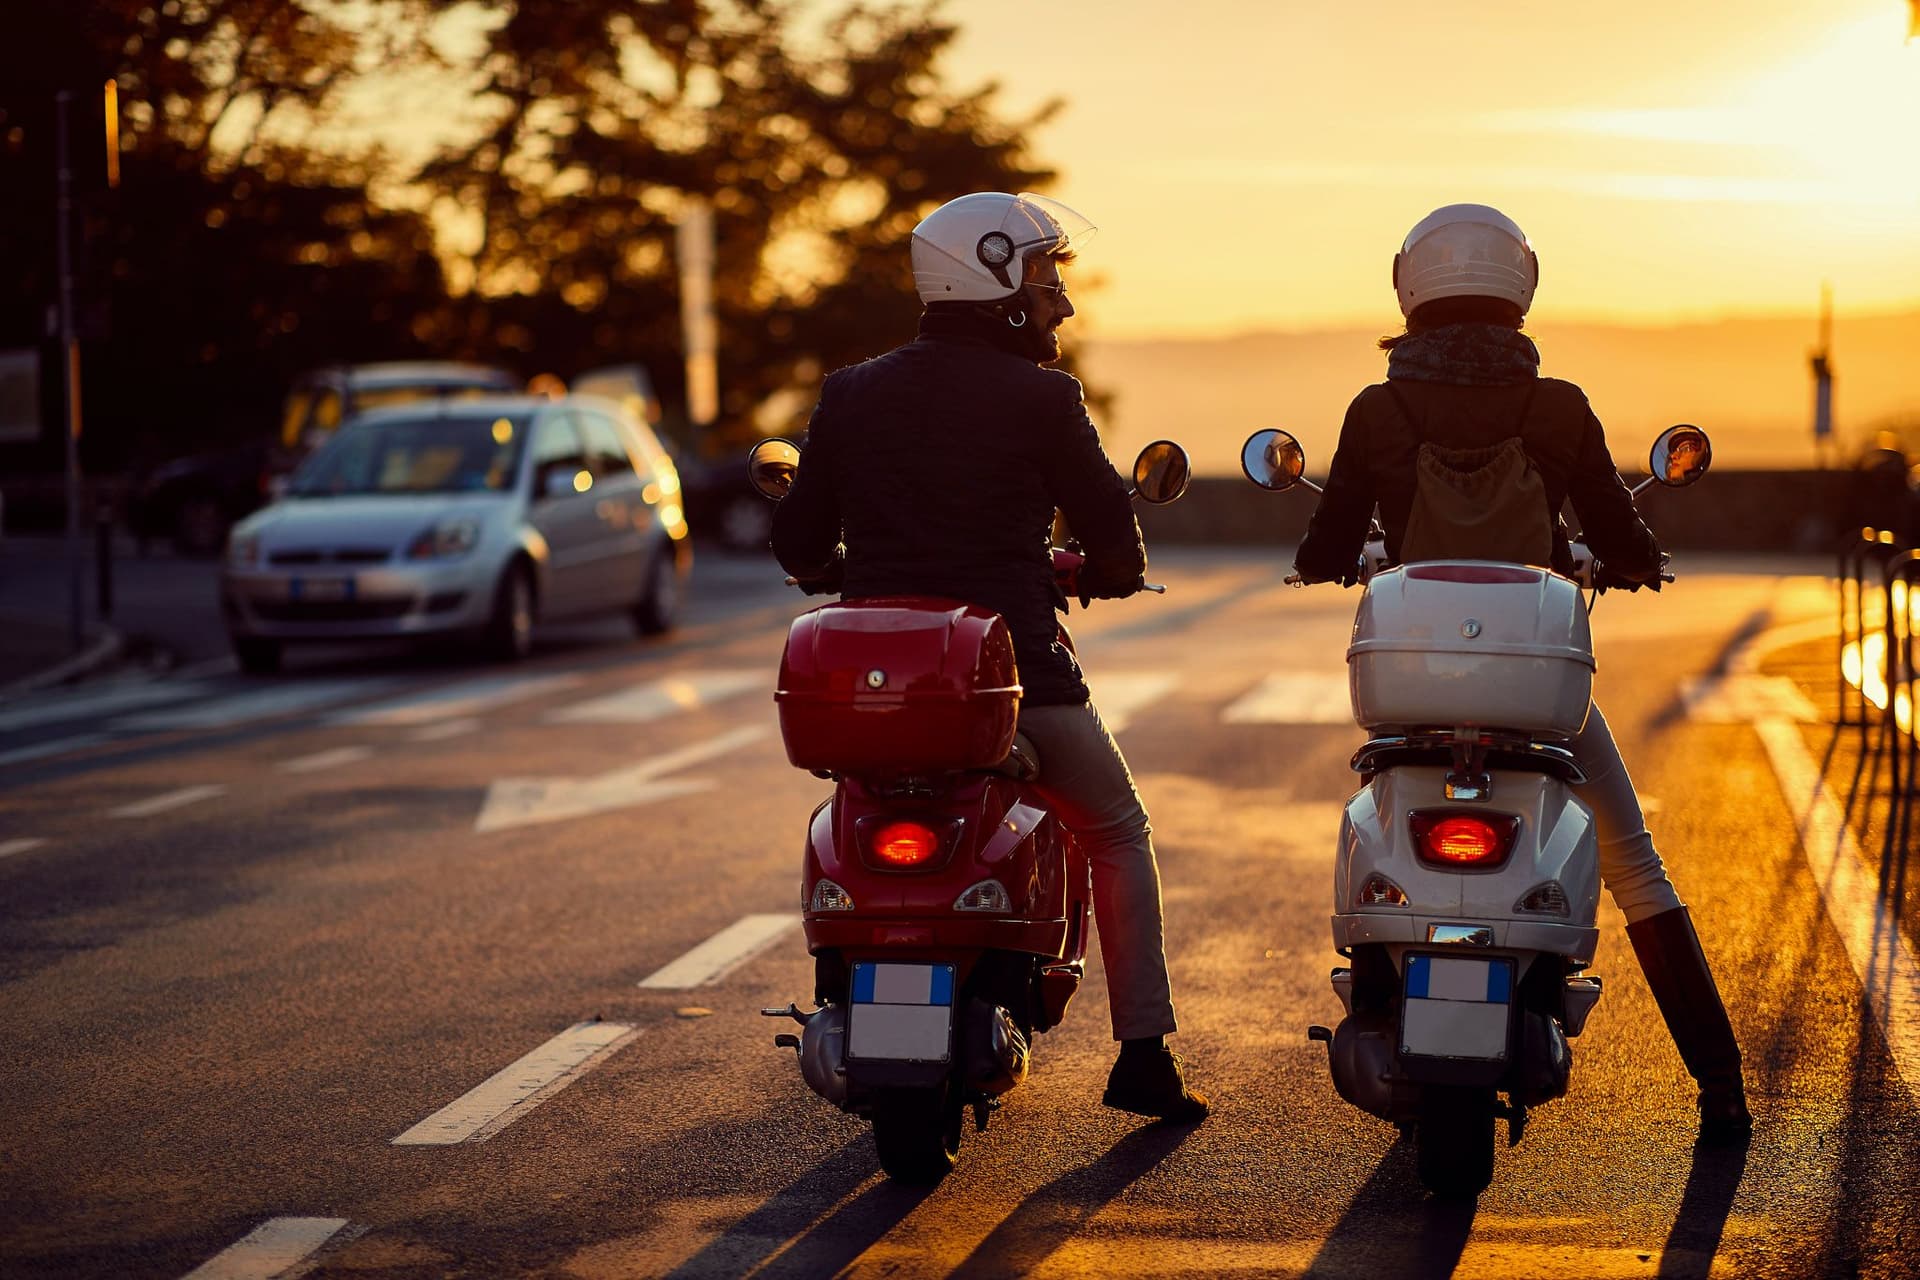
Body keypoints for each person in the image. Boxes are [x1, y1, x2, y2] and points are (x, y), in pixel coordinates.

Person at [1293, 203, 1752, 1146]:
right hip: (1532, 679)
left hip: (1417, 681)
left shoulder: (1377, 409)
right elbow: (1620, 535)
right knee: (1636, 867)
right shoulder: (1560, 405)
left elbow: (1331, 540)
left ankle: (1385, 988)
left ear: (1408, 282)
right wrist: (1634, 562)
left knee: (1379, 812)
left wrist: (1329, 558)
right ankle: (1722, 1089)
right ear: (1521, 285)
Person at [770, 191, 1208, 1123]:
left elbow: (801, 543)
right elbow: (1118, 546)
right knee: (1118, 832)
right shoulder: (1043, 398)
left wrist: (846, 570)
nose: (1062, 301)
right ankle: (1142, 1054)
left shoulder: (852, 391)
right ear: (1000, 277)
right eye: (1048, 275)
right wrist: (1098, 573)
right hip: (1014, 681)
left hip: (879, 695)